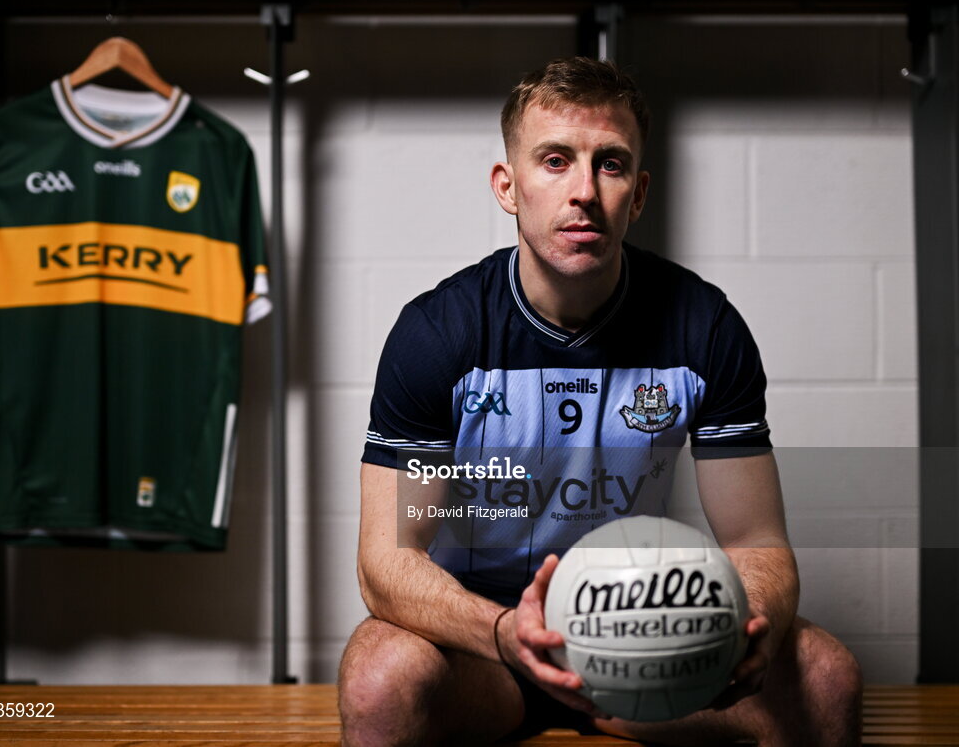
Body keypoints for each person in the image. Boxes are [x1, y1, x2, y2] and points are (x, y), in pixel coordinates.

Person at [338, 57, 863, 746]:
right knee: (378, 676)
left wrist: (747, 621)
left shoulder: (704, 326)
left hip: (638, 635)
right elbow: (387, 561)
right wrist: (503, 632)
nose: (583, 190)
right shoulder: (438, 333)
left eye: (609, 165)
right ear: (508, 185)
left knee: (828, 677)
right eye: (555, 161)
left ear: (638, 193)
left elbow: (757, 543)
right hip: (485, 644)